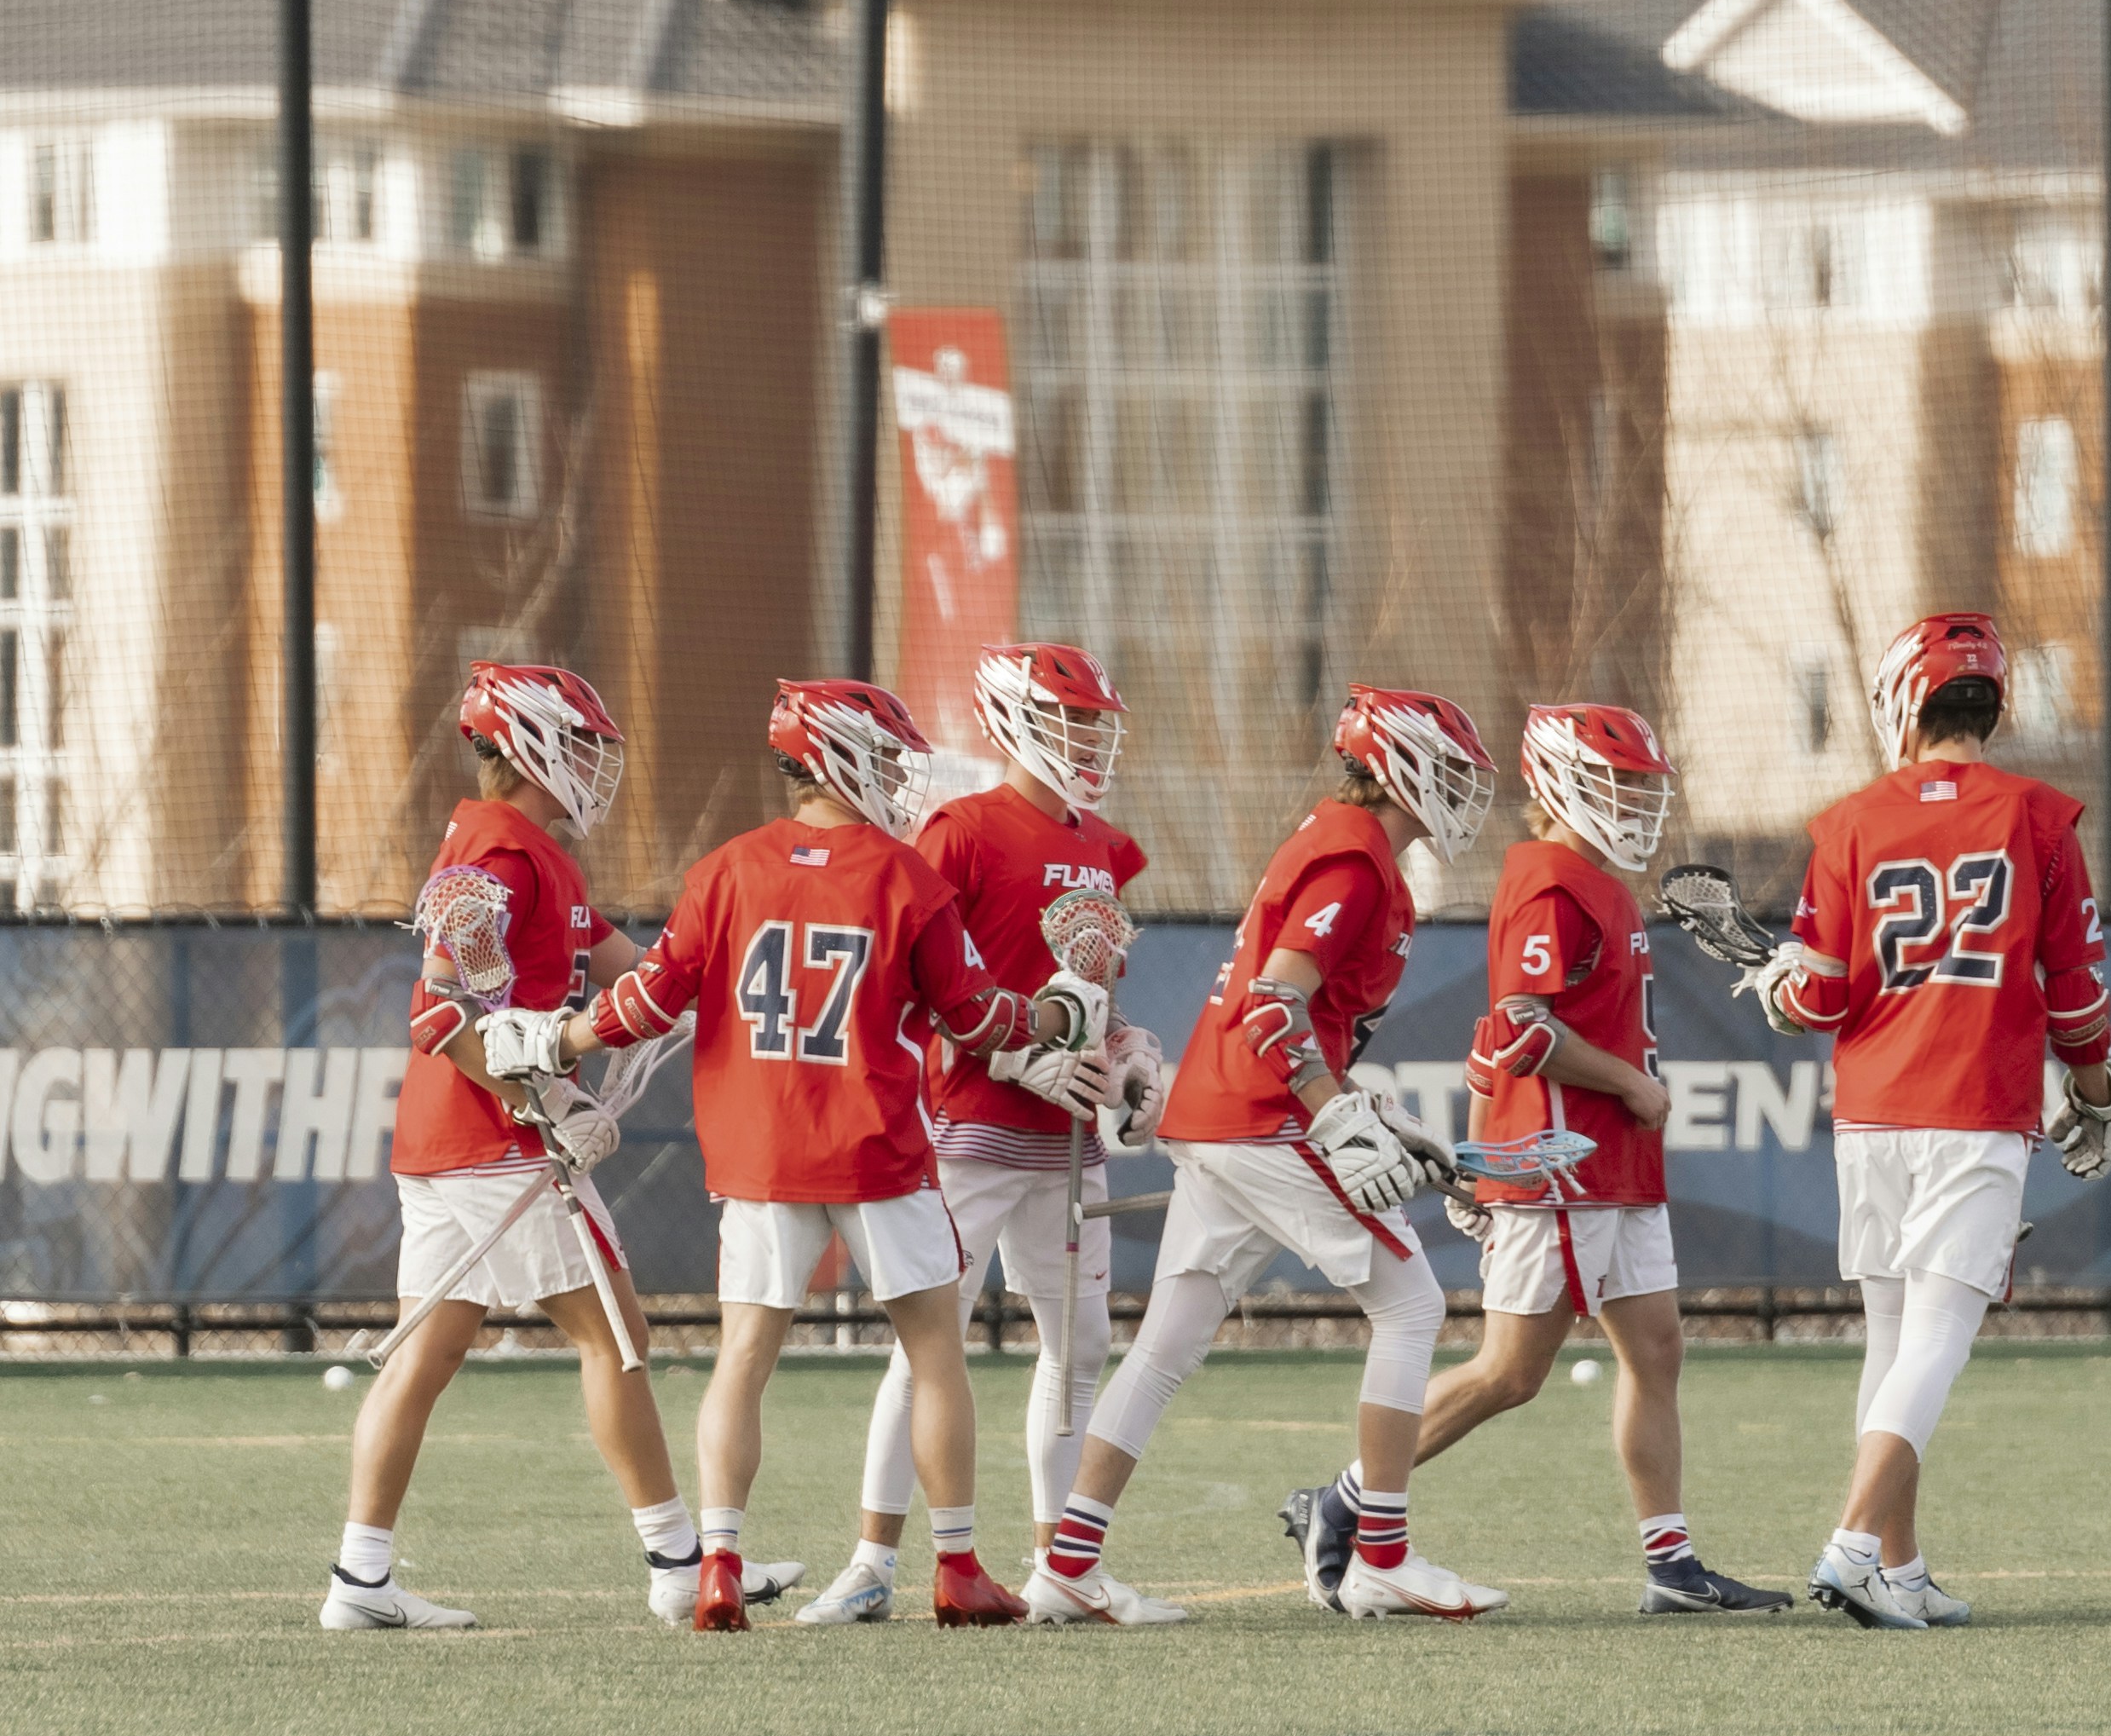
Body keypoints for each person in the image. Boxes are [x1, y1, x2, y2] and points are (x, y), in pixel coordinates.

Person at [503, 678, 1105, 1630]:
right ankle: (955, 1566)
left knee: (742, 1357)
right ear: (843, 754)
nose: (903, 778)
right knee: (935, 1350)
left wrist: (550, 1044)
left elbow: (648, 1002)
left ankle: (719, 1564)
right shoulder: (905, 877)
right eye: (891, 758)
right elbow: (978, 1017)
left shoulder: (727, 868)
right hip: (874, 1147)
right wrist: (1061, 1010)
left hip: (760, 1151)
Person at [320, 661, 797, 1634]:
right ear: (533, 745)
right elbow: (439, 1011)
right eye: (576, 743)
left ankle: (359, 1577)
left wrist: (746, 953)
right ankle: (675, 1561)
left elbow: (644, 972)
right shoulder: (501, 854)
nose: (592, 763)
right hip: (491, 1140)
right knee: (616, 1334)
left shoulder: (530, 851)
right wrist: (538, 1105)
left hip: (449, 1139)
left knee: (426, 1351)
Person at [1286, 705, 1791, 1618]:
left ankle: (1670, 1565)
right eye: (1615, 783)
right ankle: (1346, 1495)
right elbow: (1521, 1025)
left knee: (1656, 1350)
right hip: (1562, 1166)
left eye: (1640, 785)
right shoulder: (1551, 880)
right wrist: (1624, 1087)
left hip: (1612, 1169)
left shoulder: (1592, 880)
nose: (1632, 802)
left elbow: (1494, 1039)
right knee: (1509, 1371)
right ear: (1560, 784)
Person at [1027, 686, 1506, 1628]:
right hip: (1261, 1113)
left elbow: (1295, 1011)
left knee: (1163, 1347)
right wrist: (1332, 1112)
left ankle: (1067, 1564)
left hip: (1228, 1112)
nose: (1456, 788)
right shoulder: (1353, 858)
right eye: (1443, 767)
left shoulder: (1346, 847)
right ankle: (1382, 1555)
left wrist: (1356, 1102)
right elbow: (1276, 1004)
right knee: (1409, 1303)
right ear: (1400, 764)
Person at [1747, 614, 2111, 1630]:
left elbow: (1814, 1001)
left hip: (1870, 1110)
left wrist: (1781, 990)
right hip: (1973, 1105)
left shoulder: (1848, 822)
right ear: (1991, 705)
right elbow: (2078, 993)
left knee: (1891, 1338)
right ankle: (1852, 1542)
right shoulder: (2038, 818)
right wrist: (2091, 1093)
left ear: (1901, 703)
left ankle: (1898, 1571)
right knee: (1938, 1337)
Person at [802, 642, 1159, 1627]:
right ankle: (873, 1559)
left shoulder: (1099, 842)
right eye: (1071, 718)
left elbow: (1093, 993)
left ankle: (1061, 1567)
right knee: (928, 1344)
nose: (1088, 738)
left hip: (1065, 1134)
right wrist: (1009, 1054)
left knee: (1079, 1343)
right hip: (970, 1123)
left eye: (1094, 721)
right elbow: (907, 981)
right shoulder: (957, 832)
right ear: (1014, 719)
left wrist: (1126, 1055)